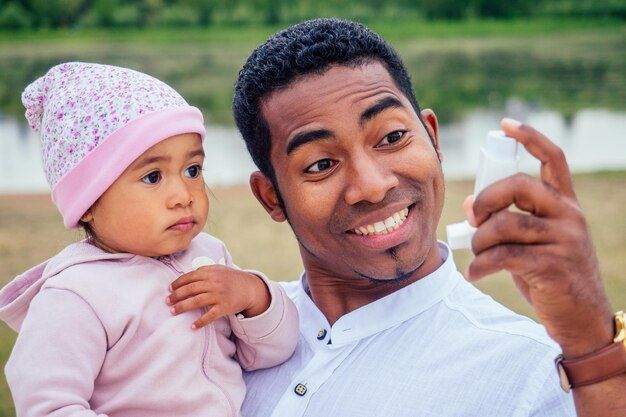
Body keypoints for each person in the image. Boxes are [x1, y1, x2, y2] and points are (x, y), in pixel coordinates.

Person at [168, 18, 625, 416]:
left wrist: (594, 347)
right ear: (271, 197)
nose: (372, 185)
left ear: (431, 136)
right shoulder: (218, 334)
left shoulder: (532, 372)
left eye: (391, 138)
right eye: (320, 165)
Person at [0, 62, 299, 416]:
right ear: (88, 202)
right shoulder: (76, 295)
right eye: (153, 176)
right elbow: (48, 406)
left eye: (192, 170)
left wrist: (253, 296)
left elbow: (272, 351)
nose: (183, 195)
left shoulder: (209, 255)